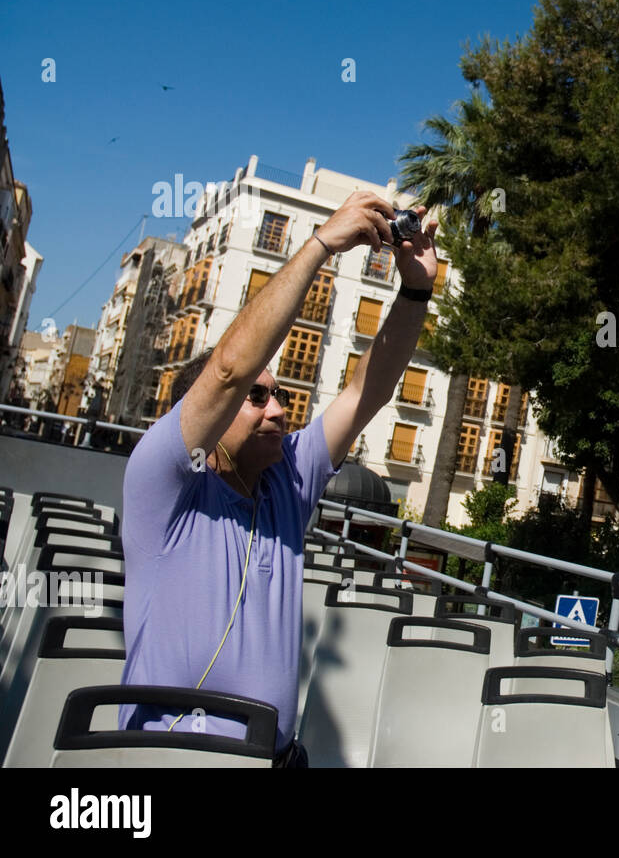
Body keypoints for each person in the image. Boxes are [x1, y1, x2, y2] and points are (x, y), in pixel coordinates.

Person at [117, 192, 438, 767]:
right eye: (256, 398)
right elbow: (226, 370)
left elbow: (370, 391)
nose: (278, 410)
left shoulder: (289, 479)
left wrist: (416, 289)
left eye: (282, 396)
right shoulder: (163, 482)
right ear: (207, 415)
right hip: (168, 761)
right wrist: (320, 246)